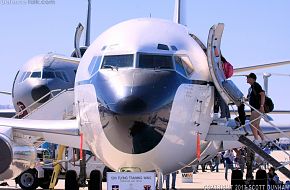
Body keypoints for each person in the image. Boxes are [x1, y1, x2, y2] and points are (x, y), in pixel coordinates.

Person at [246, 73, 266, 145]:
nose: (246, 79)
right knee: (256, 125)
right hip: (254, 108)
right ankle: (263, 140)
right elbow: (248, 98)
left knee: (252, 123)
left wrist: (261, 106)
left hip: (257, 108)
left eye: (248, 77)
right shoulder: (251, 88)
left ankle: (256, 139)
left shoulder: (256, 85)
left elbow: (262, 94)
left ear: (252, 78)